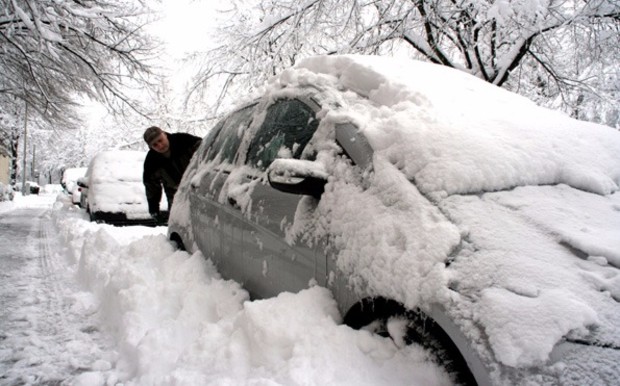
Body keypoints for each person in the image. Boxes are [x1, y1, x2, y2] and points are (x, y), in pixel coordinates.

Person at [142, 126, 201, 224]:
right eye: (155, 145)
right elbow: (151, 186)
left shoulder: (184, 140)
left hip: (199, 185)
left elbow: (207, 150)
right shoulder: (151, 162)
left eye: (160, 140)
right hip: (176, 196)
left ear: (165, 134)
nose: (160, 146)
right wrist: (154, 210)